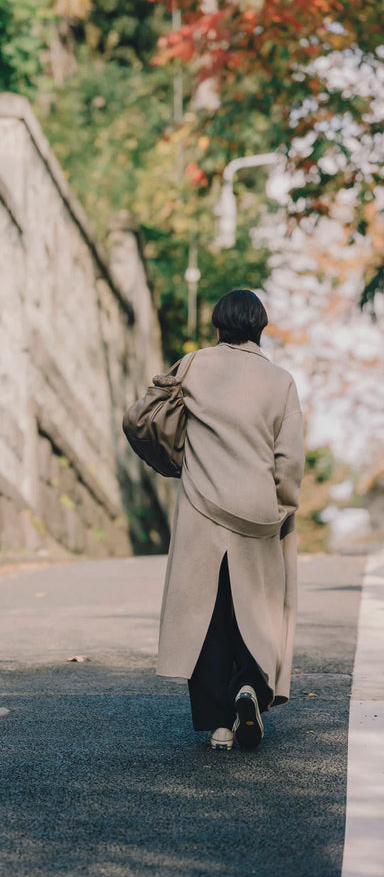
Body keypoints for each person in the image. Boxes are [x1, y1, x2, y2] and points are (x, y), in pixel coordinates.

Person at [157, 289, 305, 750]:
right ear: (260, 327)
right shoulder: (280, 382)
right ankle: (249, 687)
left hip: (204, 509)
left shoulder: (194, 365)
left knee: (210, 613)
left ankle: (219, 724)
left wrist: (175, 460)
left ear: (219, 325)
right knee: (255, 608)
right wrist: (280, 508)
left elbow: (145, 415)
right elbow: (289, 461)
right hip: (258, 510)